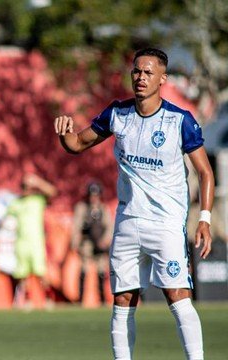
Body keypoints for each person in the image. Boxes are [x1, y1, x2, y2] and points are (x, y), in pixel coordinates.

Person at [55, 48, 214, 360]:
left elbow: (205, 172)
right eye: (137, 71)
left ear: (162, 79)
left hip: (165, 225)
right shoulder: (117, 115)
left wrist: (205, 218)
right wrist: (64, 135)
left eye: (148, 72)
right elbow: (77, 143)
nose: (141, 77)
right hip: (127, 223)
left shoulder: (179, 121)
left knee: (178, 296)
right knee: (123, 300)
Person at [7, 172, 57, 308]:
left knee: (41, 273)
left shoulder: (38, 200)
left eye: (28, 186)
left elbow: (53, 192)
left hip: (36, 243)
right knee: (22, 274)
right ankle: (27, 301)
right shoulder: (16, 203)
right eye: (23, 186)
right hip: (21, 243)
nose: (25, 189)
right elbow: (7, 220)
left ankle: (48, 299)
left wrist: (38, 182)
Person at [70, 181, 113, 305]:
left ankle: (103, 299)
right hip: (87, 242)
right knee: (84, 269)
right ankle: (80, 299)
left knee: (101, 270)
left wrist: (105, 241)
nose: (93, 198)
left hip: (100, 243)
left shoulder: (103, 208)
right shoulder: (82, 207)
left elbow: (109, 227)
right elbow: (77, 226)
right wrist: (76, 242)